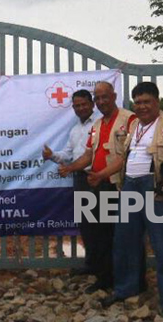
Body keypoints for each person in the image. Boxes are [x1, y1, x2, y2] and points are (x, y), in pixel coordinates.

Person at [105, 81, 163, 320]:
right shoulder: (135, 126)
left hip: (155, 190)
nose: (142, 106)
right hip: (130, 188)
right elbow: (124, 158)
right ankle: (126, 289)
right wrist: (100, 175)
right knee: (125, 241)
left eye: (147, 102)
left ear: (157, 102)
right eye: (138, 102)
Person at [59, 81, 135, 293]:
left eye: (105, 97)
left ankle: (126, 280)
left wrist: (101, 174)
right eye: (98, 98)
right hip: (100, 184)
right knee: (99, 232)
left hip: (120, 185)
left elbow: (126, 156)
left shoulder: (129, 120)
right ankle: (105, 276)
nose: (101, 102)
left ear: (114, 96)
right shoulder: (97, 126)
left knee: (120, 234)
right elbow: (88, 155)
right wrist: (72, 168)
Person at [42, 89, 100, 276]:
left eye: (84, 104)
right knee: (86, 224)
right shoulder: (75, 130)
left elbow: (91, 156)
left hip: (98, 178)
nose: (81, 108)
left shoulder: (100, 124)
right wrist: (52, 156)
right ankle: (92, 264)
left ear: (92, 104)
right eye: (77, 105)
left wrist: (70, 168)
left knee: (102, 225)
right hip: (80, 180)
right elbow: (67, 155)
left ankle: (105, 268)